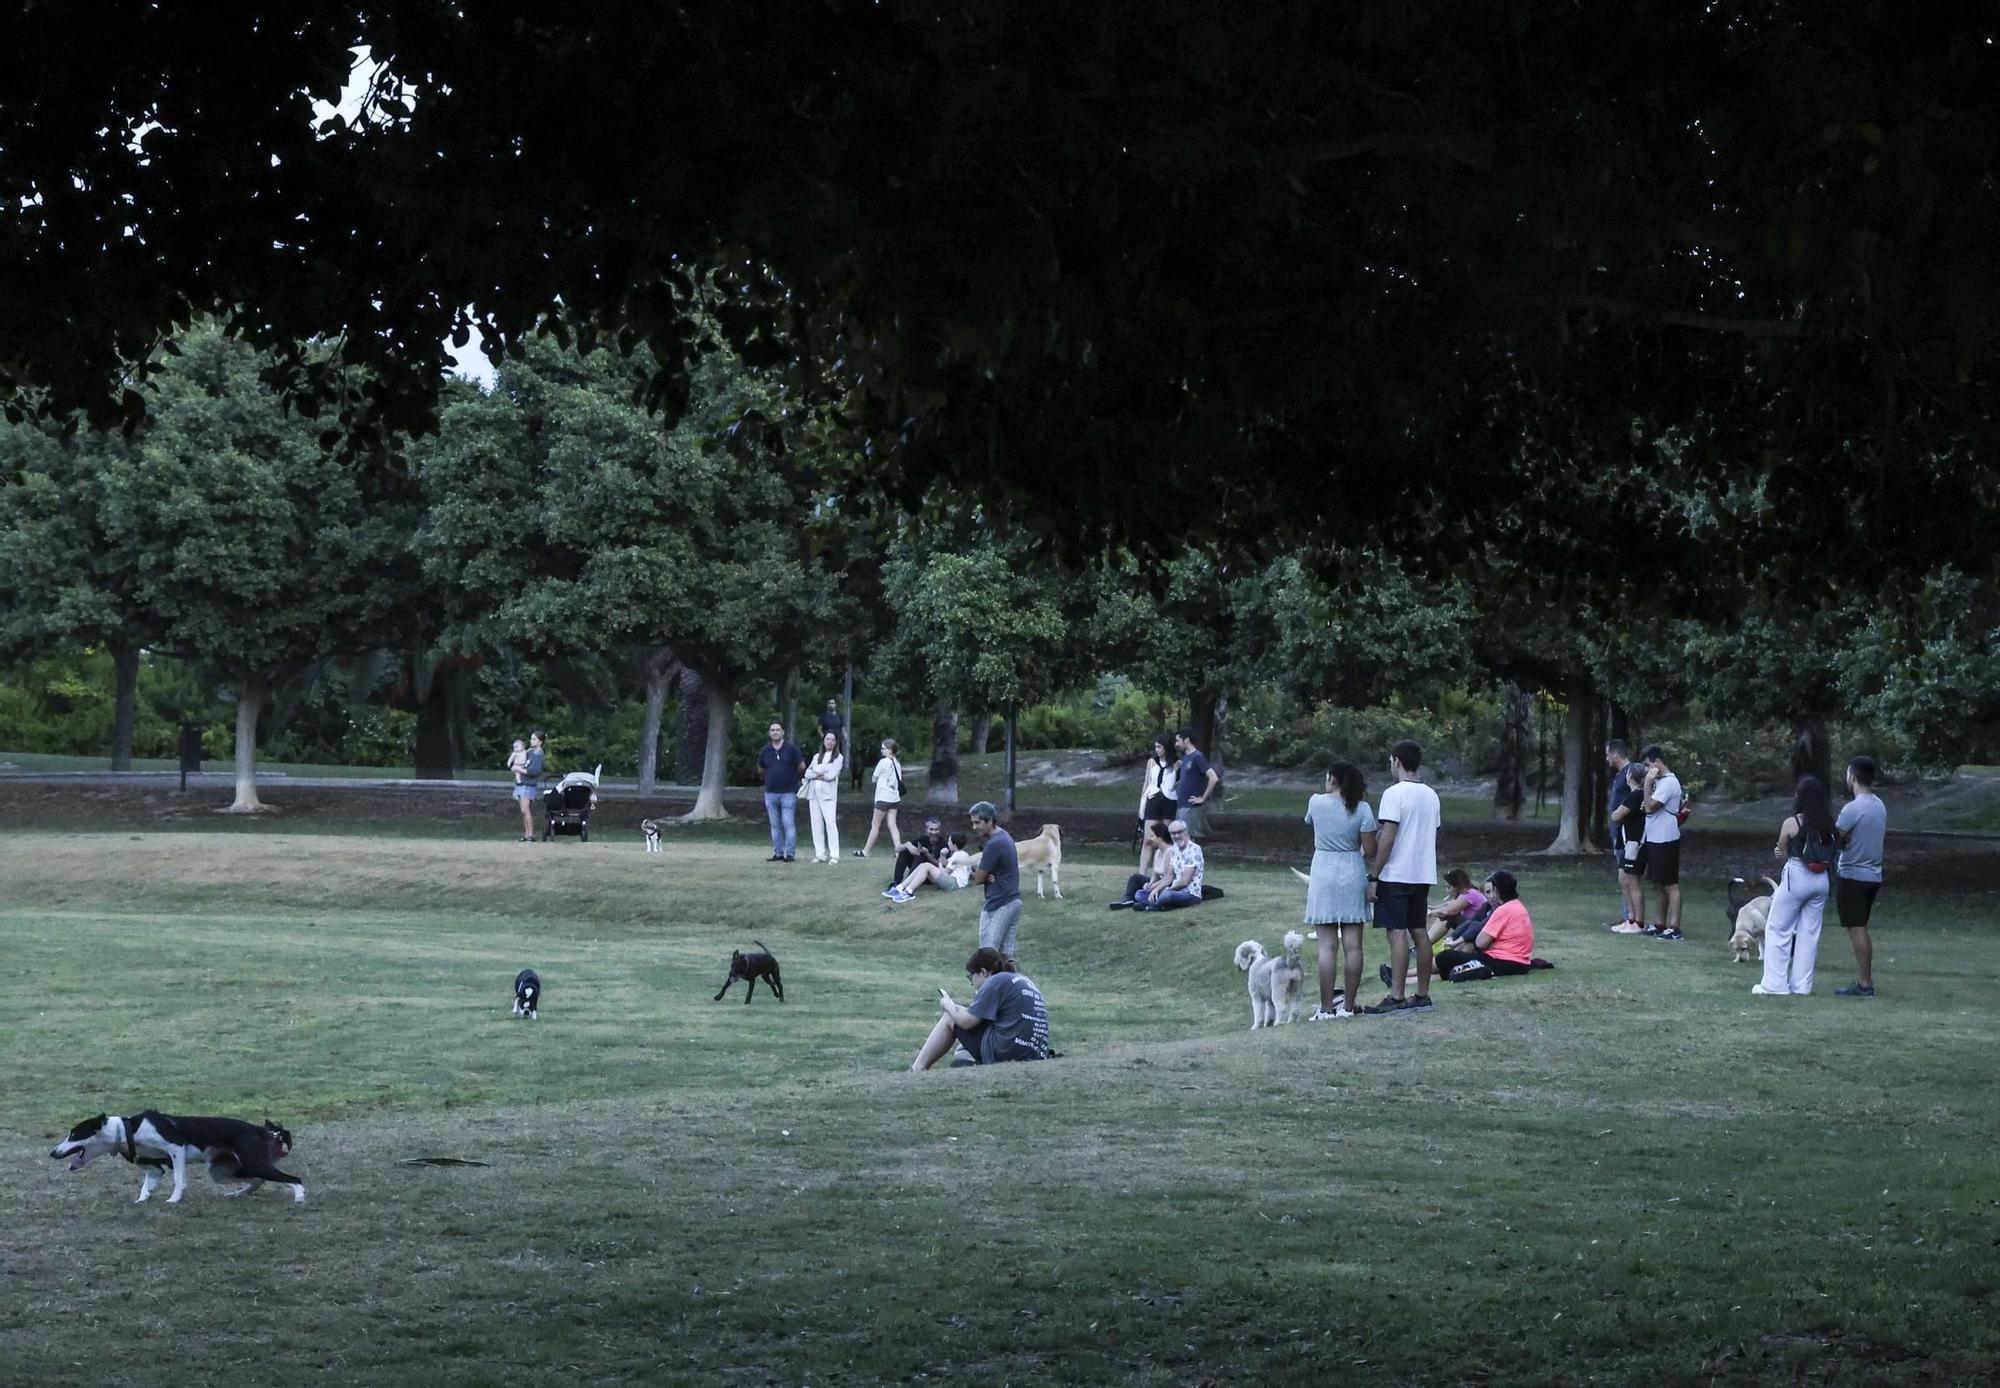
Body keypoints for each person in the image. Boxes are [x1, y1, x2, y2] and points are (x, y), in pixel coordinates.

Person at [1364, 739, 1442, 1014]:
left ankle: (1396, 997)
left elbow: (1388, 837)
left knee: (1396, 933)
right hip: (1422, 873)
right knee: (1419, 931)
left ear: (1397, 761)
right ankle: (1422, 995)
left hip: (1397, 873)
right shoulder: (1432, 795)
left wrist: (1374, 874)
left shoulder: (1394, 794)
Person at [1303, 760, 1377, 1020]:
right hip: (1351, 870)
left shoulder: (1316, 802)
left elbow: (1312, 823)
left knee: (1326, 946)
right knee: (1353, 946)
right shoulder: (1362, 808)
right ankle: (1347, 1006)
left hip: (1323, 870)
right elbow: (1370, 851)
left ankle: (1325, 1009)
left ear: (1332, 778)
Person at [1755, 775, 1837, 995]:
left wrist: (1779, 850)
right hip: (1821, 880)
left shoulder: (1794, 822)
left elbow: (1781, 850)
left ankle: (1775, 984)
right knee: (1809, 934)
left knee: (1777, 927)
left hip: (1798, 876)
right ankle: (1802, 986)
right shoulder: (1829, 823)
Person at [909, 947, 1052, 1071]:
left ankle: (917, 1069)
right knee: (968, 1023)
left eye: (971, 977)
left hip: (1006, 1052)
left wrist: (948, 1005)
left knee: (951, 1016)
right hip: (1033, 1054)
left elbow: (966, 1022)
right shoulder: (1021, 980)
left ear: (983, 972)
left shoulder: (996, 981)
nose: (972, 984)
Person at [1833, 755, 1887, 997]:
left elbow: (1835, 839)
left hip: (1853, 875)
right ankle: (1865, 981)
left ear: (1853, 777)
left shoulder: (1853, 808)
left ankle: (1865, 983)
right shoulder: (1879, 805)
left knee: (1857, 928)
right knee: (1859, 926)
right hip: (1873, 875)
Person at [1433, 870, 1536, 980]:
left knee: (1445, 957)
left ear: (1496, 890)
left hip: (1502, 962)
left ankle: (1417, 972)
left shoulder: (1502, 910)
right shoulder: (1519, 906)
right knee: (1454, 961)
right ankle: (1417, 975)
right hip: (1522, 963)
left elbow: (1480, 942)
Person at [1638, 744, 1685, 939]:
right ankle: (1660, 923)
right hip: (1654, 837)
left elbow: (1650, 806)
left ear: (1657, 762)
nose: (1648, 770)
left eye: (1649, 766)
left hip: (1666, 838)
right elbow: (1648, 806)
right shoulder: (1661, 782)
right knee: (1658, 883)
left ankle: (1674, 928)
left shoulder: (1669, 783)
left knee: (1670, 884)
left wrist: (1647, 785)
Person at [968, 802, 1022, 956]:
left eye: (977, 822)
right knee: (1006, 957)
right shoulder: (1005, 836)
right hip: (1013, 901)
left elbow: (978, 879)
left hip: (999, 904)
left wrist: (977, 872)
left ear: (989, 821)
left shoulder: (994, 844)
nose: (974, 827)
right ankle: (1014, 980)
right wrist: (986, 875)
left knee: (987, 955)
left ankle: (990, 981)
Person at [1603, 740, 1644, 929]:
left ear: (1615, 754)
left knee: (1630, 877)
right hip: (1618, 833)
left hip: (1628, 833)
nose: (1606, 758)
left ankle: (1635, 919)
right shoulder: (1620, 775)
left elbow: (1637, 800)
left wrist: (1619, 817)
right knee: (1623, 878)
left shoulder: (1631, 773)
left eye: (1607, 754)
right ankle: (1628, 917)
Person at [1608, 762, 1650, 933]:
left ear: (1630, 777)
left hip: (1634, 843)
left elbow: (1616, 815)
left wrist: (1617, 811)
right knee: (1624, 880)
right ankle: (1630, 919)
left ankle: (1638, 922)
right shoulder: (1637, 795)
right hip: (1626, 841)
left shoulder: (1636, 796)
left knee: (1633, 882)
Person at [756, 721, 806, 863]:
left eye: (778, 730)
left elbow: (801, 766)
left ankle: (790, 854)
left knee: (788, 823)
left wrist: (790, 776)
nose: (775, 732)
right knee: (775, 825)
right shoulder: (765, 750)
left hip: (788, 793)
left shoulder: (791, 749)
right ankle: (778, 853)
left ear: (783, 732)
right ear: (769, 733)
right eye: (772, 730)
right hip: (771, 793)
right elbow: (760, 768)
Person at [1134, 819, 1205, 912]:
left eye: (1179, 832)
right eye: (1173, 833)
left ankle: (1153, 907)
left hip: (1190, 893)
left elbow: (1184, 881)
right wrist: (1156, 889)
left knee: (1167, 895)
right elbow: (1169, 877)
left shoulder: (1194, 850)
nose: (1176, 836)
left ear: (1186, 832)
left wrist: (1168, 889)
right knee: (1139, 894)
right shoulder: (1174, 850)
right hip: (1173, 890)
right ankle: (1163, 905)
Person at [855, 738, 905, 858]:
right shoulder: (897, 763)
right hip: (895, 798)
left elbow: (874, 778)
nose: (882, 751)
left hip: (883, 797)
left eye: (883, 749)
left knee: (875, 824)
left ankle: (866, 851)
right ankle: (898, 851)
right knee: (892, 824)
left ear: (889, 750)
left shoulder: (883, 762)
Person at [885, 834, 972, 901]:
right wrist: (942, 855)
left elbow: (945, 872)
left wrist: (940, 862)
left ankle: (909, 892)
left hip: (955, 884)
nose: (948, 843)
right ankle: (899, 888)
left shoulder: (959, 855)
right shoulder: (959, 854)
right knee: (923, 866)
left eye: (949, 842)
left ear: (954, 845)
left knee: (926, 866)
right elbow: (944, 863)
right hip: (952, 881)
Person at [802, 730, 845, 863]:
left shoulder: (838, 757)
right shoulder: (816, 757)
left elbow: (831, 776)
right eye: (827, 739)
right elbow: (807, 773)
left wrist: (817, 774)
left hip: (828, 796)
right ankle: (820, 853)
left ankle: (834, 855)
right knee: (816, 824)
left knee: (830, 824)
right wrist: (819, 773)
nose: (829, 742)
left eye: (832, 739)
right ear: (824, 740)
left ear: (836, 742)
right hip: (814, 795)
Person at [1109, 820, 1174, 909]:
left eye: (1152, 836)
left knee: (1139, 894)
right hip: (1158, 884)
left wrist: (1151, 887)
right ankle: (1128, 899)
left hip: (1167, 885)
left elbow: (1168, 879)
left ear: (1160, 837)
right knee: (1135, 878)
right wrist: (1150, 884)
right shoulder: (1158, 852)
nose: (1149, 839)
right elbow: (1156, 876)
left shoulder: (1170, 852)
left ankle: (1150, 903)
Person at [1137, 733, 1179, 866]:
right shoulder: (1152, 762)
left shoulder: (1177, 764)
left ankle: (1166, 871)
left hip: (1169, 800)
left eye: (1159, 747)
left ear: (1167, 748)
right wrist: (1142, 804)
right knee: (1148, 839)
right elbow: (1147, 783)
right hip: (1153, 799)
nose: (1157, 750)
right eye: (1155, 747)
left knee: (1166, 839)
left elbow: (1179, 783)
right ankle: (1142, 873)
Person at [1173, 727, 1219, 839]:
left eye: (1178, 740)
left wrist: (1202, 798)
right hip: (1181, 805)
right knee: (1180, 838)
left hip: (1190, 806)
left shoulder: (1197, 757)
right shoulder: (1186, 757)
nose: (1176, 744)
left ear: (1186, 740)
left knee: (1186, 839)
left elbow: (1213, 778)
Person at [891, 814, 948, 888]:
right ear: (926, 829)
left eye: (936, 829)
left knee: (922, 855)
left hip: (932, 874)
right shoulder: (923, 839)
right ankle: (896, 883)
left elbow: (943, 866)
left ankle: (907, 884)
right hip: (919, 871)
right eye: (931, 829)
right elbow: (897, 849)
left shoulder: (943, 844)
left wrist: (927, 855)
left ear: (940, 830)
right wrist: (907, 845)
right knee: (904, 852)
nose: (934, 832)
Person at [512, 731, 545, 841]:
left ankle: (531, 834)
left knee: (526, 809)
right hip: (521, 783)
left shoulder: (538, 755)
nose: (532, 741)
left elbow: (534, 771)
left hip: (529, 785)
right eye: (531, 739)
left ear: (540, 742)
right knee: (522, 810)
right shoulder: (530, 752)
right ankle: (526, 833)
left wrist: (519, 769)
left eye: (534, 739)